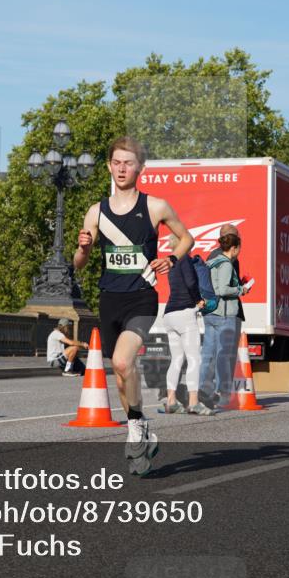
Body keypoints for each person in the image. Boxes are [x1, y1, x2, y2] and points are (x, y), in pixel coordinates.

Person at [74, 136, 193, 476]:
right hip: (109, 298)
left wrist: (171, 259)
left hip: (142, 298)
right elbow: (79, 263)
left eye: (128, 163)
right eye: (117, 163)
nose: (122, 169)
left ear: (140, 167)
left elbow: (187, 238)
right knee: (121, 376)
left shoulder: (155, 206)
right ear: (109, 167)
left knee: (124, 361)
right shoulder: (97, 211)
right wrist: (83, 248)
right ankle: (138, 425)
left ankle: (137, 427)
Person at [199, 223, 246, 406]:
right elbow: (223, 289)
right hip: (224, 312)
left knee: (208, 355)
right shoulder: (227, 262)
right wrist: (241, 289)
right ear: (233, 244)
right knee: (225, 355)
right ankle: (223, 394)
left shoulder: (211, 258)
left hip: (210, 312)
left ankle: (203, 391)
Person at [160, 235, 206, 414]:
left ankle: (171, 400)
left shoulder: (171, 262)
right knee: (194, 358)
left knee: (177, 359)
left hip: (169, 314)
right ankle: (193, 402)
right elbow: (191, 282)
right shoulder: (184, 259)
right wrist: (198, 300)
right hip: (185, 313)